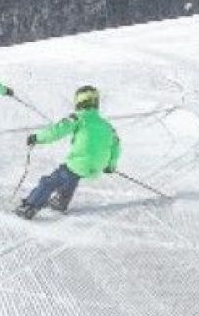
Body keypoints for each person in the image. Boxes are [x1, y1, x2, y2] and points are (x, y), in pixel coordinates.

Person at [16, 85, 121, 219]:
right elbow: (116, 145)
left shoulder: (77, 118)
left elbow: (57, 131)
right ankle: (61, 201)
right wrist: (110, 165)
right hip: (97, 166)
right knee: (72, 175)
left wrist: (37, 138)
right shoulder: (107, 125)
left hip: (79, 162)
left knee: (49, 182)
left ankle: (30, 206)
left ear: (79, 102)